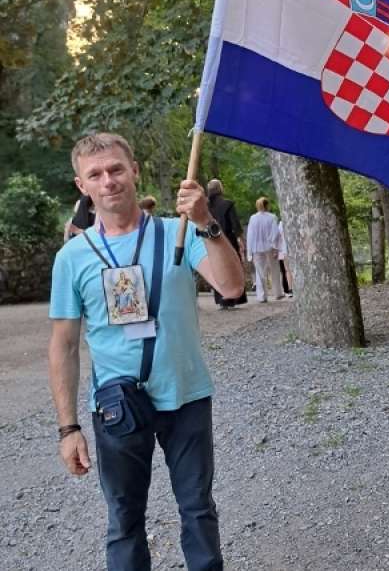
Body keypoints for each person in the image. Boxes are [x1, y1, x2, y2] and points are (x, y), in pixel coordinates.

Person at [48, 133, 244, 571]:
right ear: (82, 186)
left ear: (134, 171)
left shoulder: (178, 233)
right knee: (123, 521)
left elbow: (231, 286)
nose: (108, 181)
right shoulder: (72, 258)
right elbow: (63, 345)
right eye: (95, 174)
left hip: (186, 395)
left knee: (198, 511)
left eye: (116, 169)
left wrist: (206, 221)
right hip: (118, 405)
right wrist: (68, 429)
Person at [206, 179, 247, 309]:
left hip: (211, 240)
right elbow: (235, 224)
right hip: (228, 239)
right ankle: (234, 298)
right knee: (232, 265)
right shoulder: (227, 204)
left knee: (217, 267)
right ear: (220, 189)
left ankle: (222, 299)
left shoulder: (206, 207)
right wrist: (241, 240)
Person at [246, 196, 283, 302]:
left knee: (260, 272)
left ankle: (262, 296)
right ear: (267, 205)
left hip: (257, 248)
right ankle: (278, 293)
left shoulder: (253, 218)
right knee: (274, 270)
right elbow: (275, 233)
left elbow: (250, 235)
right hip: (269, 247)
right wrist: (274, 245)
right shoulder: (272, 217)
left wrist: (250, 250)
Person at [277, 219, 293, 297]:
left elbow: (278, 238)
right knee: (289, 270)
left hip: (285, 249)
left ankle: (290, 289)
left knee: (288, 270)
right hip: (291, 249)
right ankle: (291, 288)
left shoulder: (281, 224)